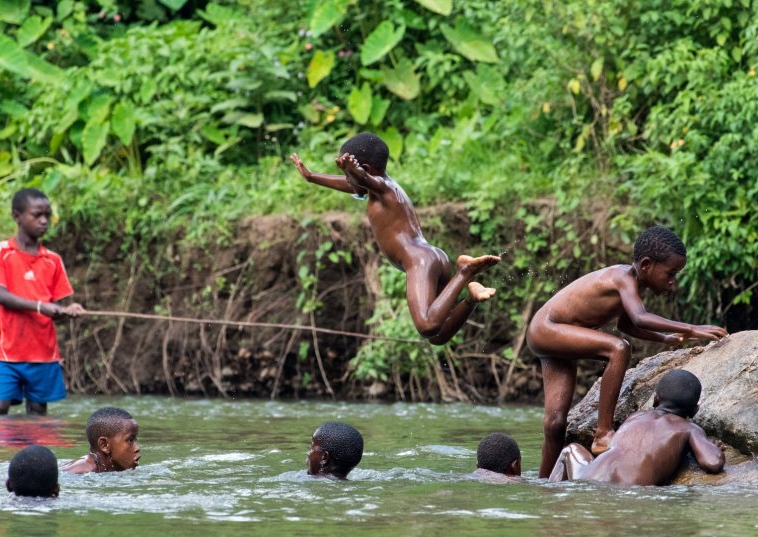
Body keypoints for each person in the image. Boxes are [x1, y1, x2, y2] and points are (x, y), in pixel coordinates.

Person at [526, 226, 727, 477]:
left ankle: (543, 483)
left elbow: (626, 324)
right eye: (670, 273)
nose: (673, 281)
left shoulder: (633, 285)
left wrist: (664, 338)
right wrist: (692, 328)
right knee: (618, 348)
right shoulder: (623, 277)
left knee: (556, 423)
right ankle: (603, 433)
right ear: (646, 265)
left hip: (554, 335)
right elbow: (639, 317)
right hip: (547, 328)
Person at [290, 133, 500, 344]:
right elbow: (355, 184)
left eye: (347, 175)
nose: (346, 180)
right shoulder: (381, 188)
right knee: (439, 335)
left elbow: (361, 180)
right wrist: (311, 176)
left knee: (427, 326)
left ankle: (464, 272)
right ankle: (471, 299)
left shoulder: (384, 187)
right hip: (432, 257)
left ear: (366, 169)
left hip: (420, 261)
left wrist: (353, 171)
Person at [0, 188, 85, 416]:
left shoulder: (53, 260)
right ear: (17, 216)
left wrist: (68, 310)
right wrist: (40, 306)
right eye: (37, 215)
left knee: (38, 413)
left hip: (43, 352)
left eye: (47, 215)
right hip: (7, 352)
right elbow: (1, 296)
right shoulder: (1, 251)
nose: (44, 221)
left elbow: (55, 310)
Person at [548, 369, 725, 486]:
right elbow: (713, 462)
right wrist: (711, 446)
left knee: (570, 449)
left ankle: (550, 493)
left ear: (656, 399)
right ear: (694, 411)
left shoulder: (635, 417)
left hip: (588, 477)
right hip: (628, 489)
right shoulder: (688, 428)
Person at [62, 407, 140, 474]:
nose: (137, 448)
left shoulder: (109, 469)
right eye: (130, 440)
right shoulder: (82, 471)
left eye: (135, 440)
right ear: (104, 445)